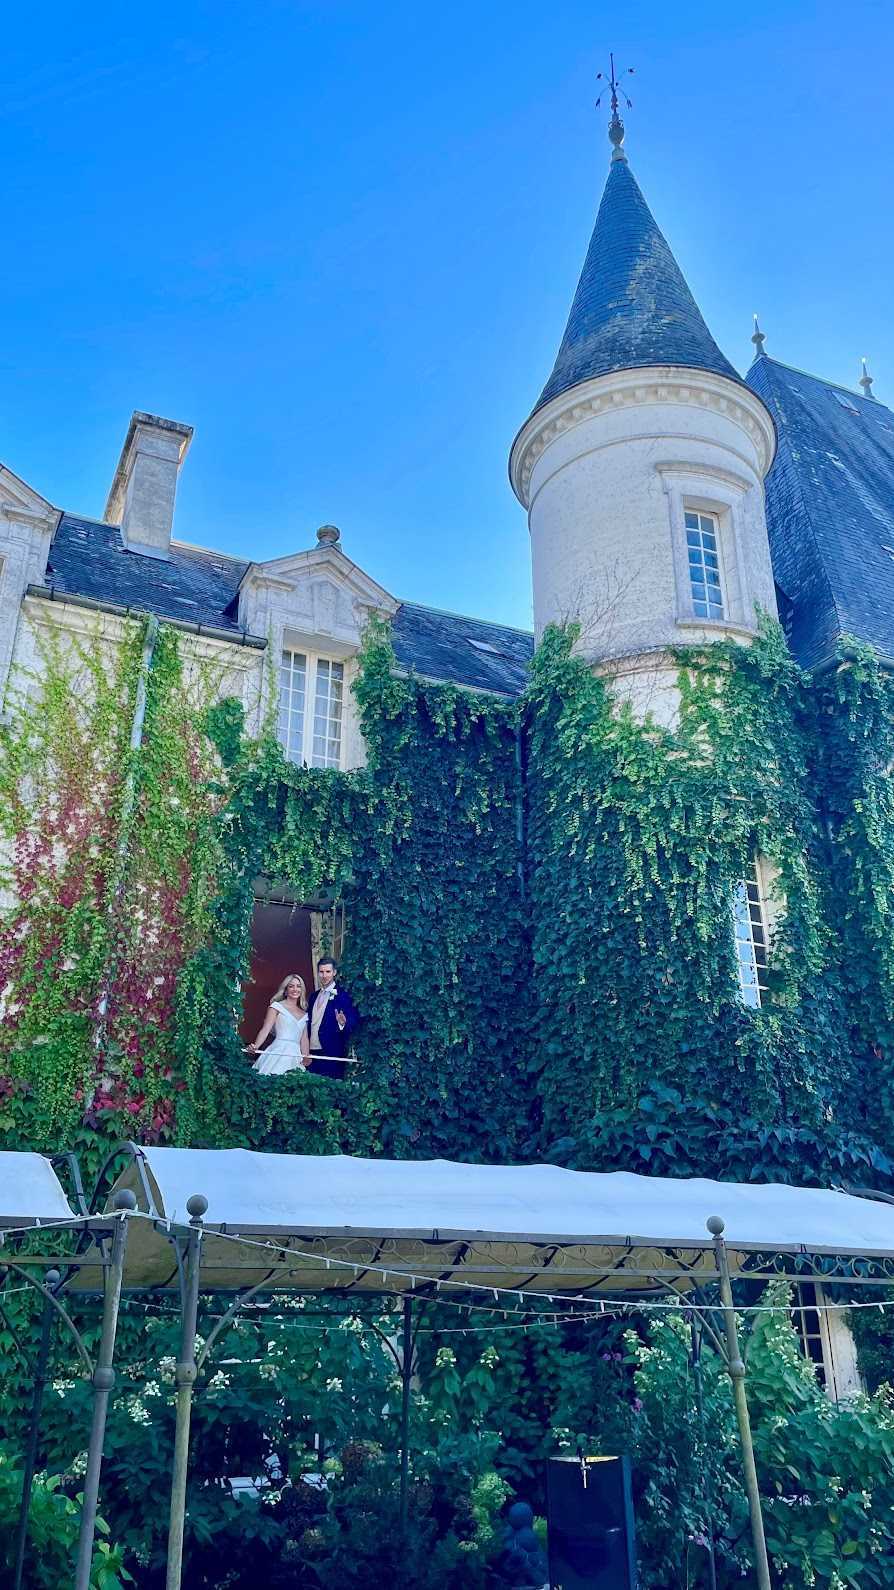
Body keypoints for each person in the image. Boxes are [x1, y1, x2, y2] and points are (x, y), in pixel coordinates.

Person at [246, 974, 310, 1075]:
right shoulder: (276, 1007)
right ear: (285, 989)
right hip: (278, 1051)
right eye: (291, 986)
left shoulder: (305, 1014)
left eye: (298, 986)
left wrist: (306, 1056)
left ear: (302, 990)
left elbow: (304, 1038)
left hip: (295, 1055)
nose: (295, 989)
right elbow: (266, 1029)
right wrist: (256, 1046)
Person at [305, 956, 358, 1075]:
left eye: (328, 972)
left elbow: (353, 1019)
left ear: (334, 972)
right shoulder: (313, 996)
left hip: (332, 1052)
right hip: (311, 1051)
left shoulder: (343, 995)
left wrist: (343, 1023)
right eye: (321, 972)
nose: (324, 976)